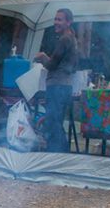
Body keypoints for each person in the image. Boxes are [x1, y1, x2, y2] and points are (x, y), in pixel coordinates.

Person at [34, 8, 79, 153]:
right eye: (55, 19)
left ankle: (59, 155)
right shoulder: (72, 38)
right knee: (56, 122)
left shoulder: (65, 39)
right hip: (65, 87)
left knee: (54, 124)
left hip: (58, 86)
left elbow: (52, 64)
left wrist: (42, 56)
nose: (56, 22)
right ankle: (60, 154)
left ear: (68, 22)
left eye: (60, 20)